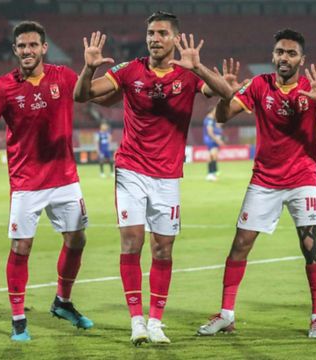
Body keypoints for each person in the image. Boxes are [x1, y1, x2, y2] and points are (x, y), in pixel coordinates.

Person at [73, 11, 234, 345]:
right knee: (132, 242)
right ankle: (136, 321)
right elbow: (83, 95)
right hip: (131, 170)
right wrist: (89, 67)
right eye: (150, 32)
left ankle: (156, 321)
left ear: (175, 38)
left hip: (168, 176)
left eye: (161, 33)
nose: (154, 38)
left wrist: (198, 67)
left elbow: (226, 93)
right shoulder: (131, 69)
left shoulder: (187, 74)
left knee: (163, 248)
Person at [197, 29, 316, 339]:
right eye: (280, 51)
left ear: (301, 59)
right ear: (273, 55)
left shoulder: (311, 89)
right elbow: (223, 117)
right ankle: (226, 314)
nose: (284, 57)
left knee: (310, 246)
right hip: (264, 180)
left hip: (302, 179)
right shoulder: (258, 85)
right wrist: (227, 93)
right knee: (240, 243)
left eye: (291, 53)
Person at [0, 21, 94, 342]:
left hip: (64, 178)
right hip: (26, 182)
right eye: (22, 46)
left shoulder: (64, 76)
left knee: (77, 240)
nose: (27, 51)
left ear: (44, 48)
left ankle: (63, 302)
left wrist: (89, 69)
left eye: (33, 45)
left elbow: (87, 94)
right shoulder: (4, 86)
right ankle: (18, 319)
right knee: (21, 247)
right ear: (15, 50)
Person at [203, 107, 224, 181]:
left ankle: (211, 173)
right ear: (212, 111)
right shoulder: (209, 120)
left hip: (211, 140)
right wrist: (217, 140)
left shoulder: (211, 120)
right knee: (213, 155)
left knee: (212, 156)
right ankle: (212, 173)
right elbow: (210, 132)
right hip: (211, 140)